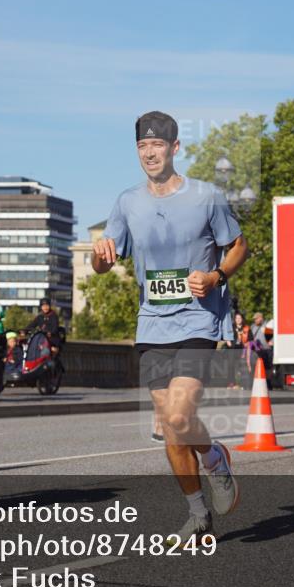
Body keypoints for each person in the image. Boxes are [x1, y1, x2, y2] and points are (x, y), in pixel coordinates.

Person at [92, 110, 248, 544]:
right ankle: (198, 516)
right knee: (172, 428)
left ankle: (215, 459)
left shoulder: (206, 196)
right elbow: (105, 262)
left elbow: (238, 246)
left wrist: (216, 276)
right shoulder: (127, 202)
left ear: (175, 148)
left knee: (179, 417)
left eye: (157, 145)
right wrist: (99, 257)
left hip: (199, 318)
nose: (149, 153)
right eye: (142, 146)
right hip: (151, 325)